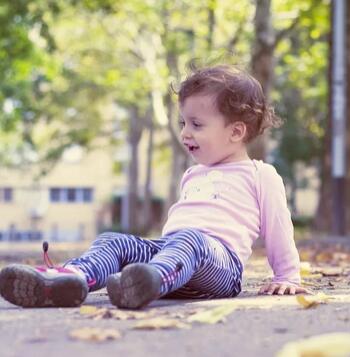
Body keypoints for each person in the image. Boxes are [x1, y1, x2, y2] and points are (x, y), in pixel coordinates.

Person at [0, 65, 307, 309]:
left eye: (196, 125)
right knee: (114, 241)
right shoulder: (192, 175)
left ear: (236, 132)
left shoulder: (260, 175)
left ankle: (146, 283)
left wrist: (287, 276)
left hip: (220, 270)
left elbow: (279, 227)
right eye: (183, 123)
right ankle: (68, 280)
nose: (185, 133)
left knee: (190, 239)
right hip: (177, 257)